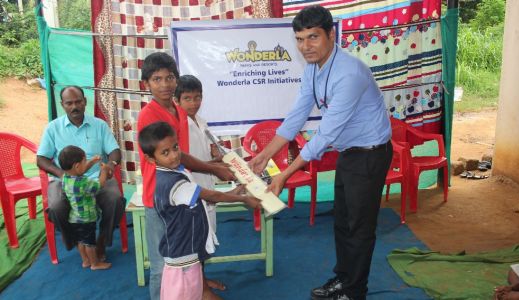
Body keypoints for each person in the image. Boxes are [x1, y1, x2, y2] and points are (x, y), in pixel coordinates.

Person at [248, 6, 392, 300]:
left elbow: (325, 134)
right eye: (300, 39)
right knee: (342, 221)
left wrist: (285, 175)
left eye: (313, 37)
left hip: (370, 153)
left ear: (331, 34)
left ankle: (354, 292)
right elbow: (296, 116)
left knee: (359, 228)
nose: (305, 46)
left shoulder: (349, 73)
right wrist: (265, 155)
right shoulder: (314, 69)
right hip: (350, 153)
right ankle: (343, 279)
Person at [138, 52, 235, 300]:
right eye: (156, 79)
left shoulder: (178, 110)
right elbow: (177, 158)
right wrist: (213, 168)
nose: (164, 84)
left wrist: (212, 164)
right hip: (160, 198)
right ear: (146, 84)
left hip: (182, 192)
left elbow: (180, 154)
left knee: (187, 252)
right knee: (163, 266)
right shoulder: (149, 114)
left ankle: (197, 289)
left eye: (169, 77)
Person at [138, 121, 261, 300]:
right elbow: (210, 196)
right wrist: (244, 199)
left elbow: (200, 200)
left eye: (175, 147)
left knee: (195, 291)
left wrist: (234, 192)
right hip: (182, 257)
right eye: (165, 152)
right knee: (186, 294)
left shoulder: (174, 172)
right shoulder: (174, 183)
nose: (174, 155)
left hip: (186, 251)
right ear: (151, 159)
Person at [37, 85, 125, 260]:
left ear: (85, 102)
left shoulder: (99, 125)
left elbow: (115, 151)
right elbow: (41, 159)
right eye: (69, 103)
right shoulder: (53, 128)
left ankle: (101, 242)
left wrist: (111, 165)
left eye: (78, 102)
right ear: (63, 105)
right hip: (66, 182)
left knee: (115, 200)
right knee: (55, 207)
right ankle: (76, 241)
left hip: (96, 178)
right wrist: (61, 173)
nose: (74, 106)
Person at [176, 75, 226, 291]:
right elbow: (183, 161)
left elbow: (209, 151)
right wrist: (214, 164)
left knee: (205, 238)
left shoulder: (201, 121)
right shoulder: (179, 124)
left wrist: (215, 152)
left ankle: (202, 281)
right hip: (191, 191)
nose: (194, 103)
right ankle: (197, 288)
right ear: (177, 100)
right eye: (187, 98)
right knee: (195, 240)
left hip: (207, 185)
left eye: (197, 97)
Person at [58, 145, 112, 270]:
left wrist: (92, 161)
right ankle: (95, 263)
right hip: (86, 219)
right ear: (77, 166)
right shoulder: (83, 183)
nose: (85, 164)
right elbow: (100, 185)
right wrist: (104, 171)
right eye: (84, 161)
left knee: (81, 241)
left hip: (74, 218)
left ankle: (85, 261)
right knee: (90, 243)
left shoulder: (65, 178)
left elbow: (80, 170)